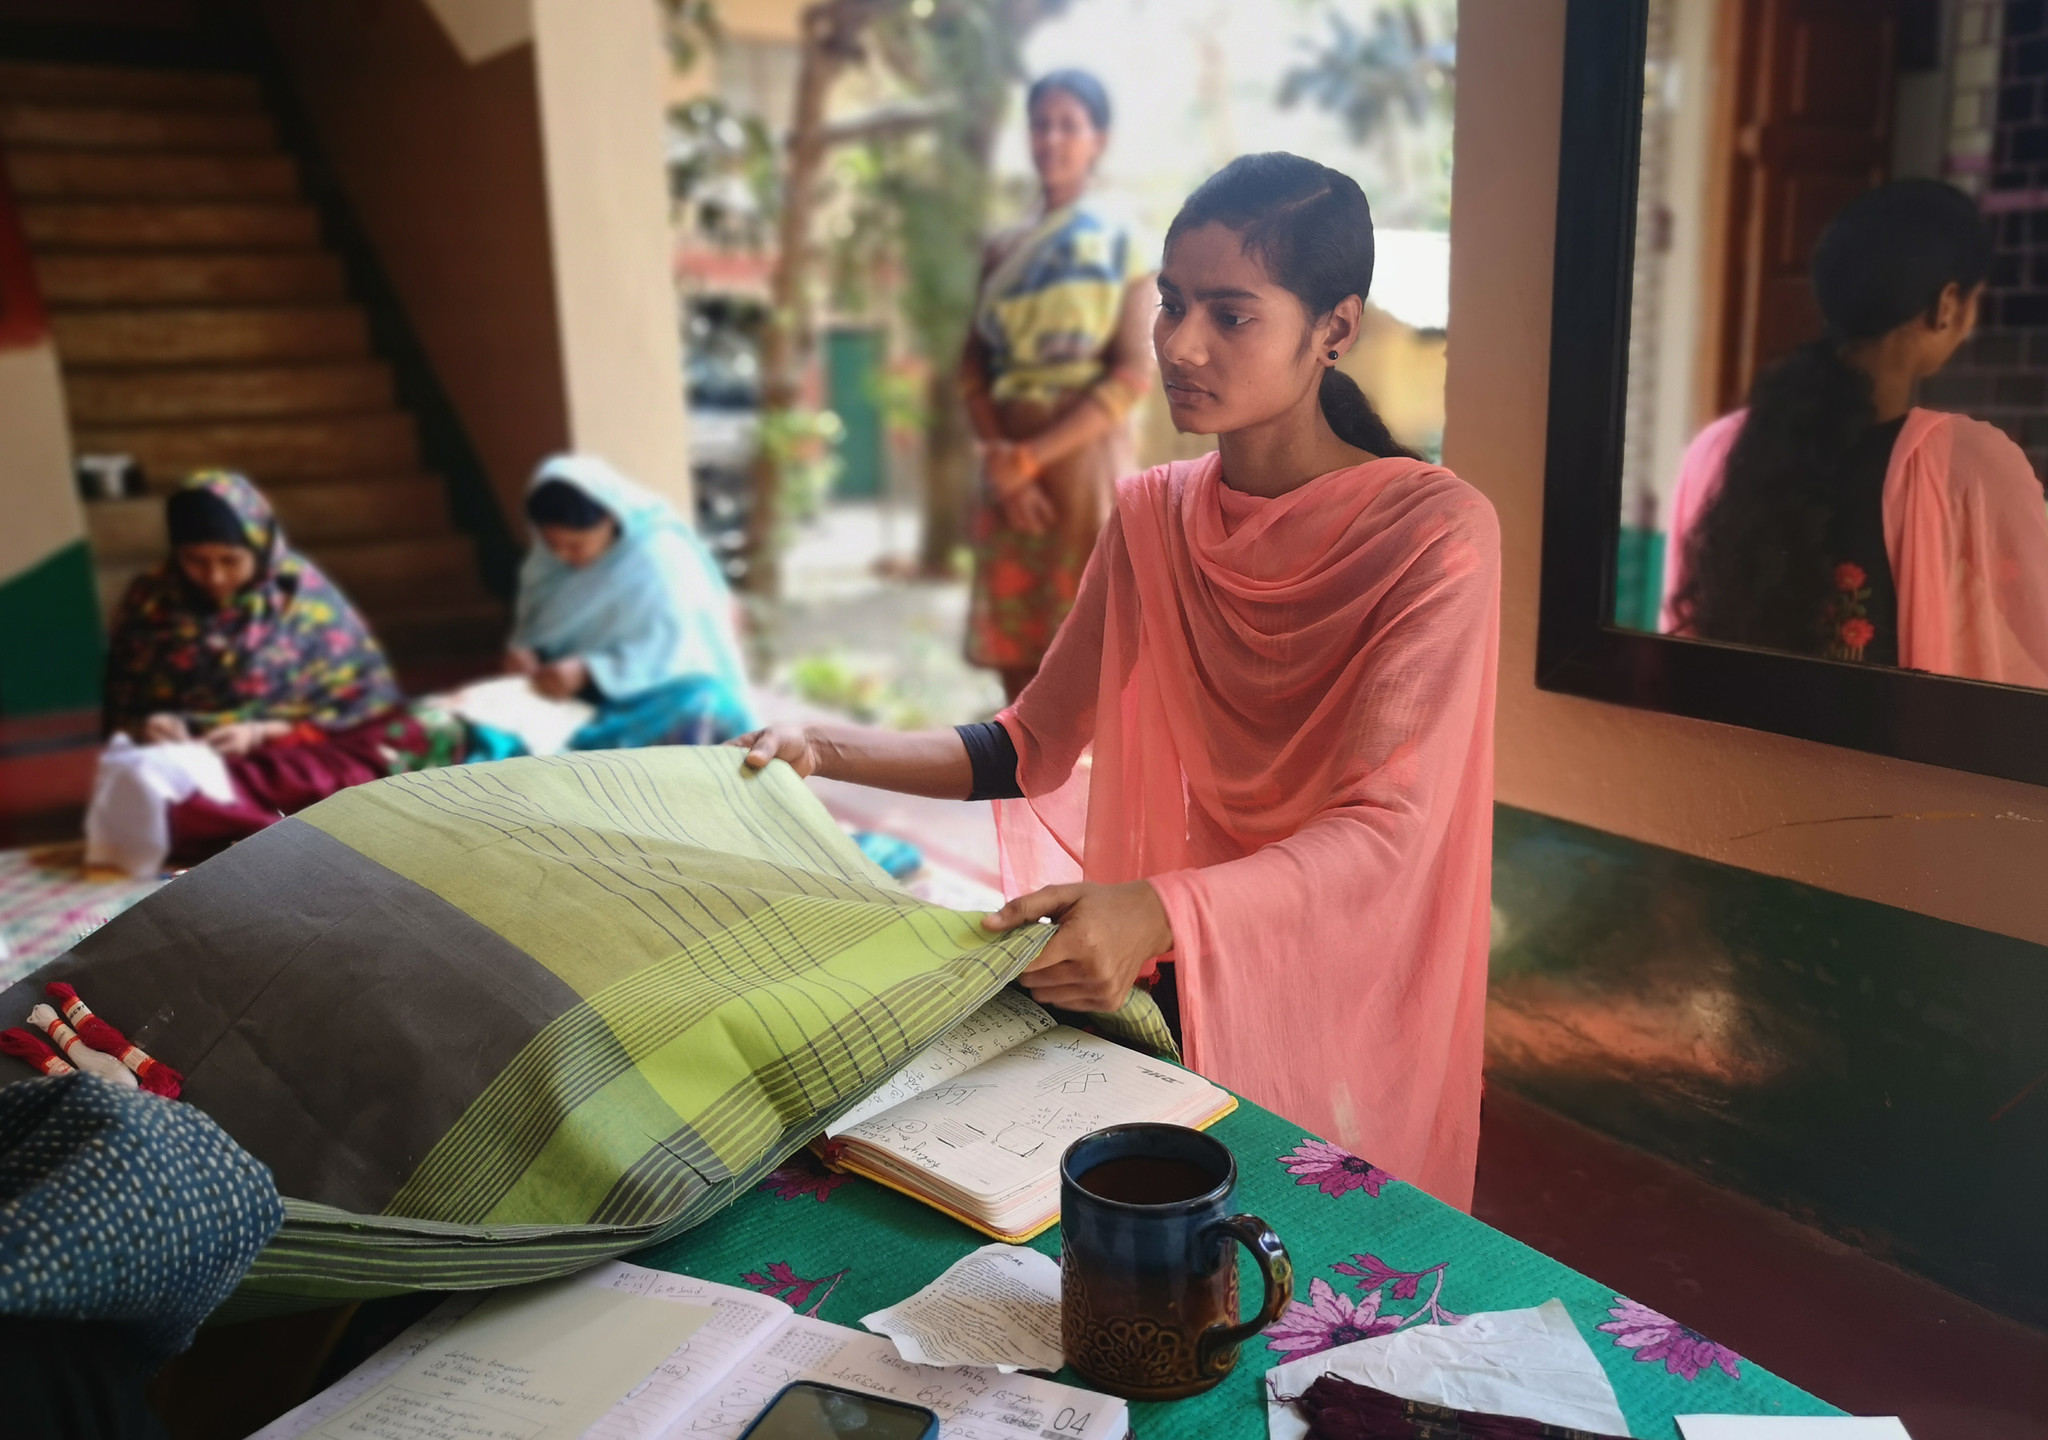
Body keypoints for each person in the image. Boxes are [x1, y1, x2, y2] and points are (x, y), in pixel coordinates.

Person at [741, 154, 1500, 1209]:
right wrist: (820, 749)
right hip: (1193, 959)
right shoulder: (1153, 514)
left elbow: (1381, 835)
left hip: (1338, 954)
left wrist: (1156, 907)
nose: (1181, 345)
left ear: (1333, 328)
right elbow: (1026, 746)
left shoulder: (1434, 531)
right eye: (1172, 304)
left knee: (1328, 1237)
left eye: (1231, 316)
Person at [1662, 179, 2048, 683]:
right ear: (1948, 305)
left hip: (1727, 758)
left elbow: (1677, 654)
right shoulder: (1969, 466)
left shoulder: (1715, 452)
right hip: (1878, 764)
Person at [962, 69, 1158, 702]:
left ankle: (1087, 804)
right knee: (1015, 663)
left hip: (1082, 465)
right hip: (1005, 459)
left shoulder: (1122, 241)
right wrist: (1001, 458)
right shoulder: (1003, 250)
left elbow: (1131, 373)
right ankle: (1018, 797)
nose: (1052, 138)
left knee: (1086, 661)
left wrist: (1028, 460)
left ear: (1097, 138)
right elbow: (973, 369)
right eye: (1041, 123)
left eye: (1069, 124)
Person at [103, 470, 401, 752]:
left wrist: (263, 732)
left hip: (287, 759)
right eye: (195, 560)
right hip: (181, 761)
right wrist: (144, 728)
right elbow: (122, 704)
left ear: (261, 548)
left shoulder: (303, 601)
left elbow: (365, 708)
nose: (214, 577)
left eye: (230, 560)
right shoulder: (150, 602)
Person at [508, 454, 757, 747]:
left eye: (576, 545)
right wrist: (525, 654)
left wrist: (592, 671)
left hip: (663, 692)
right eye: (553, 545)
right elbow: (535, 636)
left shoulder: (663, 558)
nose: (563, 556)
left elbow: (684, 648)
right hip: (569, 698)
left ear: (611, 516)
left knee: (707, 710)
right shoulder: (545, 567)